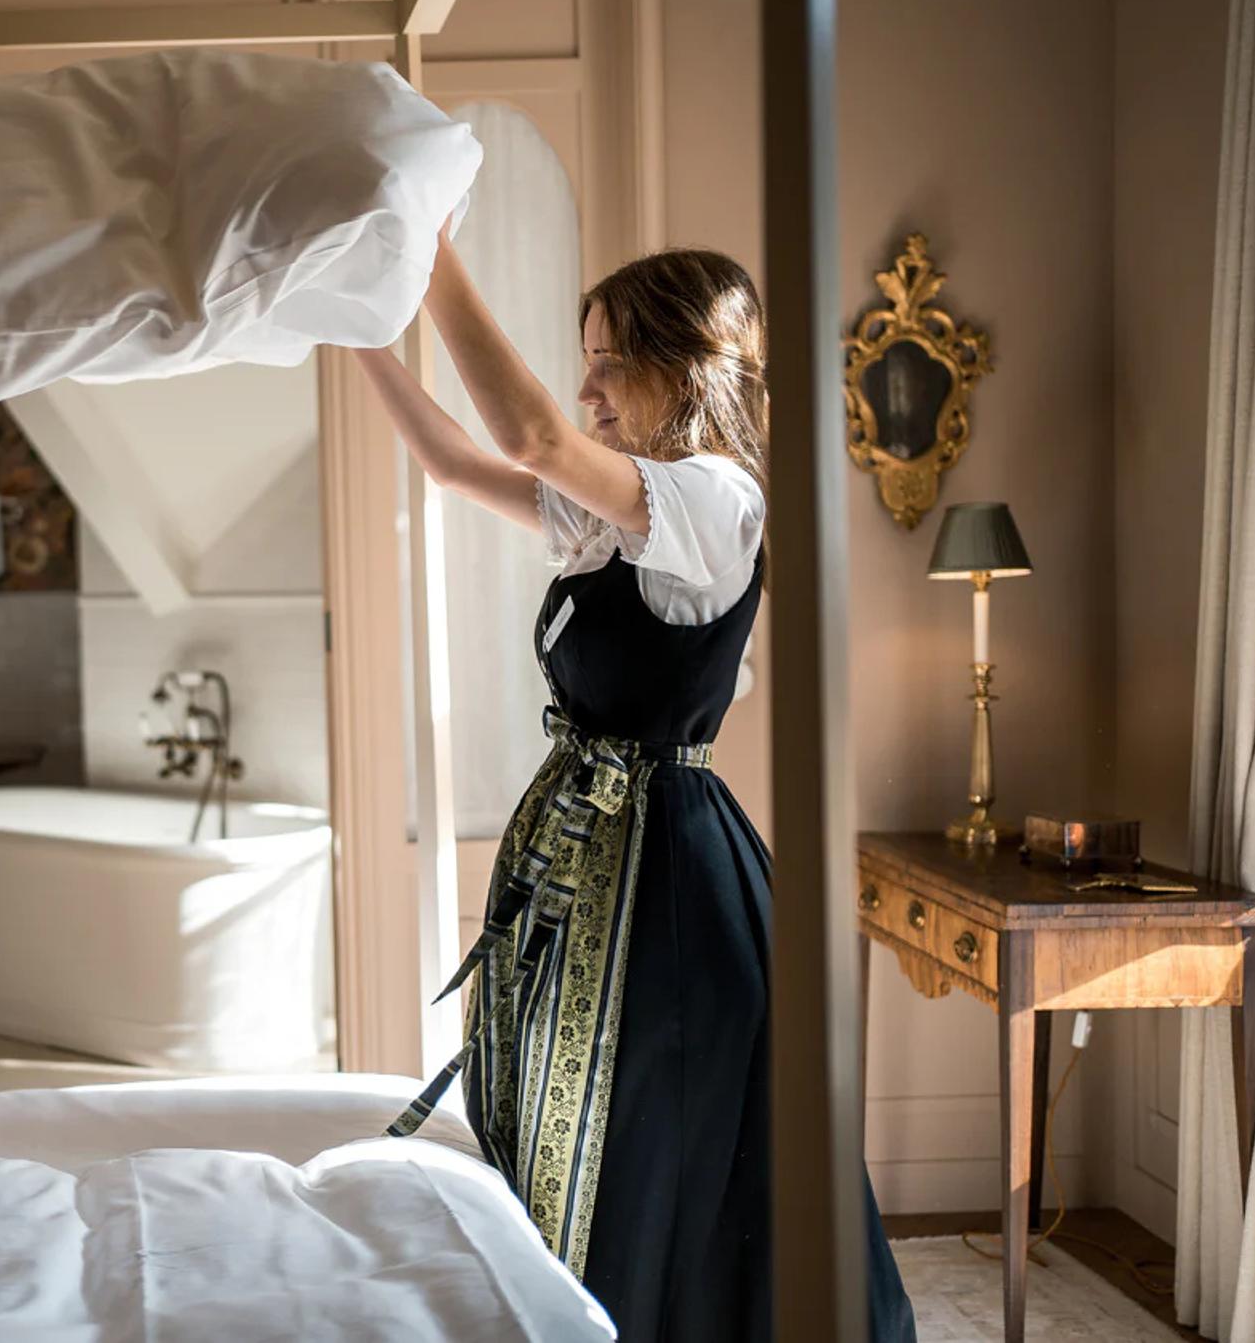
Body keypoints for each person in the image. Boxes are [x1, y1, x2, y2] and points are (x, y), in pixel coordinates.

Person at [356, 231, 917, 1342]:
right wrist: (356, 328)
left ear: (681, 362)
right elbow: (459, 463)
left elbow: (526, 434)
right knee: (591, 1157)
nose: (585, 388)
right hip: (601, 874)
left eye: (605, 357)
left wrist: (430, 252)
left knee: (647, 1169)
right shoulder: (619, 519)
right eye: (584, 357)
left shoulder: (710, 502)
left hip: (667, 897)